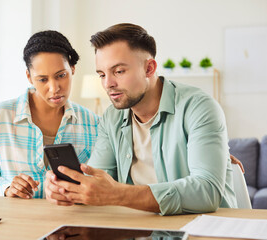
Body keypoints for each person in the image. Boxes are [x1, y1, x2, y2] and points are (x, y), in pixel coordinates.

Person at [45, 23, 238, 215]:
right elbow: (96, 182)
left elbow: (207, 191)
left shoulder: (199, 108)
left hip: (203, 229)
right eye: (102, 74)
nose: (108, 84)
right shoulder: (112, 117)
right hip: (139, 228)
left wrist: (118, 195)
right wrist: (66, 189)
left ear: (149, 68)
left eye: (119, 71)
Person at [0, 30, 99, 199]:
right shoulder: (0, 117)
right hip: (17, 222)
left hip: (70, 219)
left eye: (61, 75)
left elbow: (100, 180)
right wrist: (7, 188)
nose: (54, 88)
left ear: (72, 69)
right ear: (29, 77)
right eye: (43, 79)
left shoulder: (93, 123)